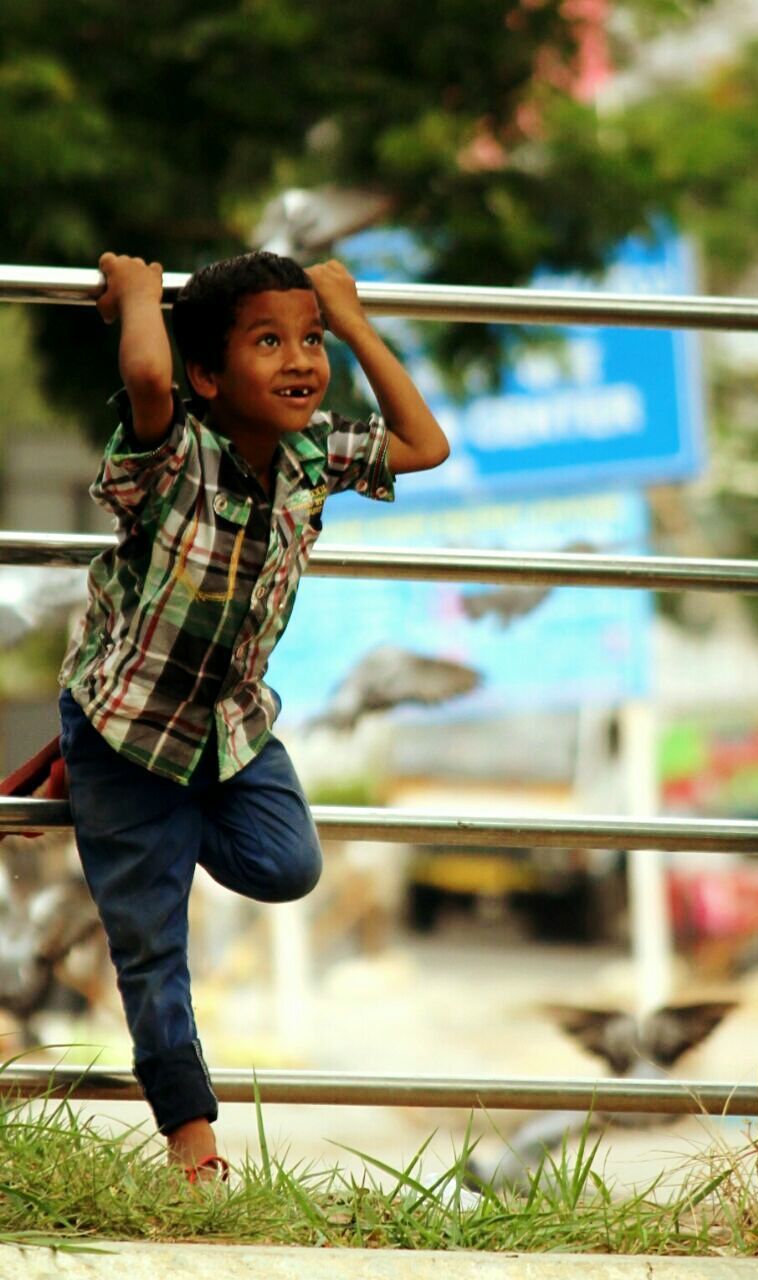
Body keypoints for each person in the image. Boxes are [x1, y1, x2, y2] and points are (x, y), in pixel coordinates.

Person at [58, 250, 449, 1179]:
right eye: (268, 341)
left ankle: (145, 837)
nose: (300, 361)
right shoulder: (171, 450)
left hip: (229, 725)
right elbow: (148, 372)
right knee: (152, 945)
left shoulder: (313, 457)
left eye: (309, 341)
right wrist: (143, 300)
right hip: (127, 729)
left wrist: (352, 319)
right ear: (208, 375)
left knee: (290, 865)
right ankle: (191, 1139)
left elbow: (425, 443)